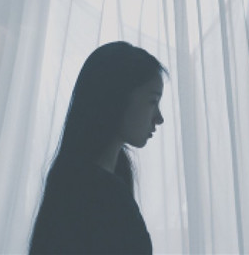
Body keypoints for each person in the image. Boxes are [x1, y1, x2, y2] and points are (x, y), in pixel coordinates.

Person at [29, 41, 167, 255]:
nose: (159, 118)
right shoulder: (99, 195)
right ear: (118, 97)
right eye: (152, 101)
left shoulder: (72, 181)